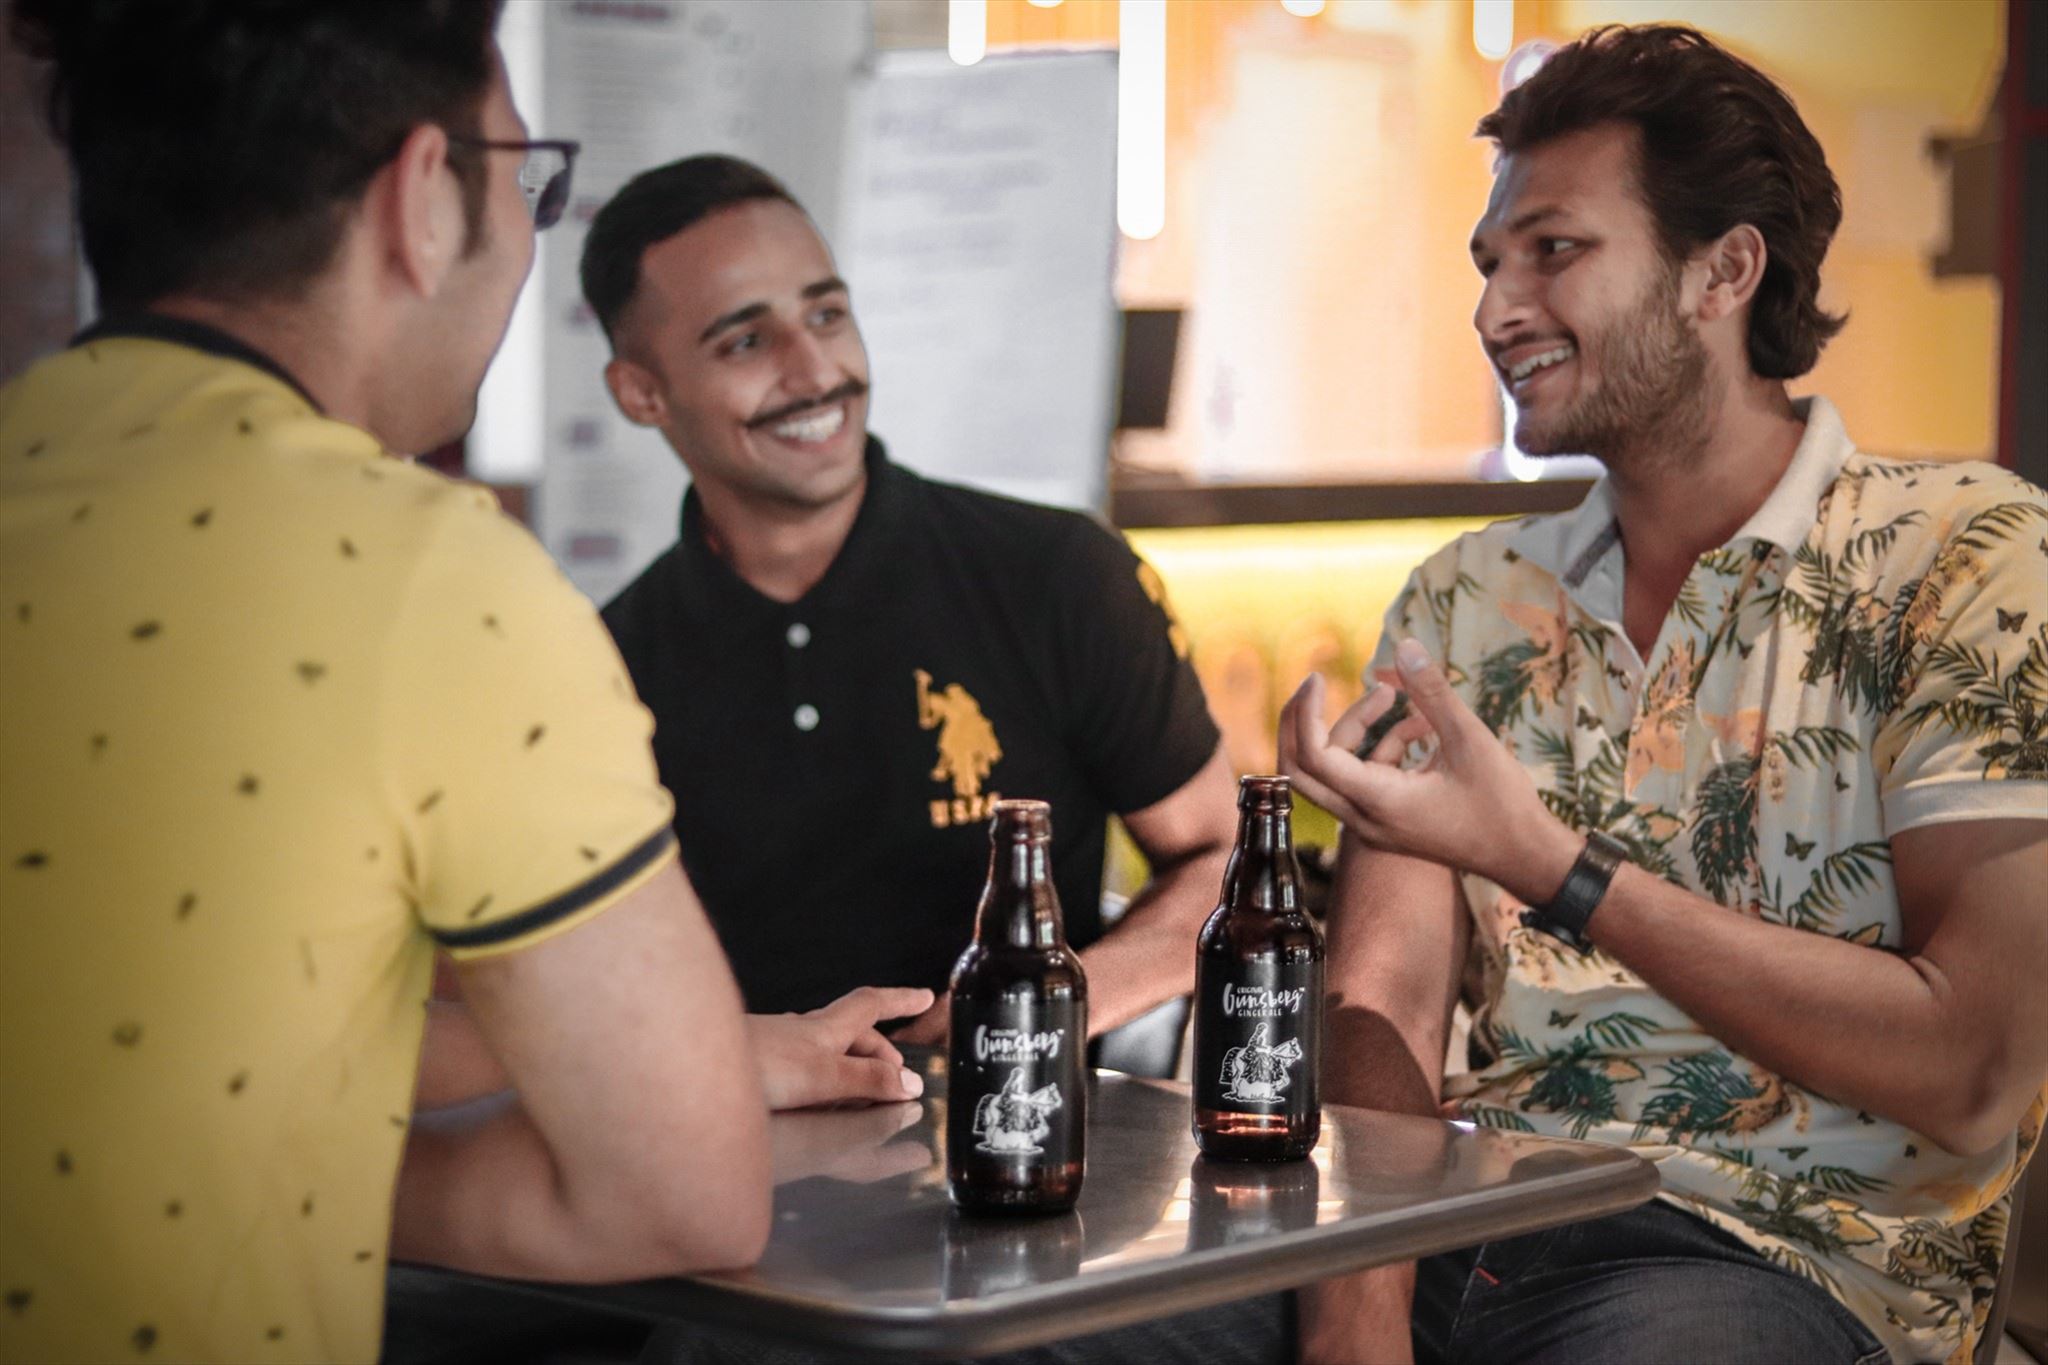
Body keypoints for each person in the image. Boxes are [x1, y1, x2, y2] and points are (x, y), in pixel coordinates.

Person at [0, 5, 921, 1361]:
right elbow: (680, 1194)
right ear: (422, 198)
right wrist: (288, 1175)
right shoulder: (430, 583)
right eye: (525, 177)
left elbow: (232, 1001)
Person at [1281, 24, 2048, 1365]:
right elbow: (1381, 1000)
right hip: (1453, 1223)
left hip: (1773, 1263)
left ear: (1723, 271)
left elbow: (1972, 1068)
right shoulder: (1465, 599)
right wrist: (1354, 1315)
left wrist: (1550, 864)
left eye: (1553, 250)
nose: (1495, 309)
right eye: (1489, 263)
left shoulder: (1961, 559)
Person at [585, 155, 1239, 1040]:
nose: (814, 369)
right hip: (738, 1126)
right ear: (642, 392)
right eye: (746, 342)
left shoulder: (1057, 572)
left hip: (1031, 1117)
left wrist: (1032, 1013)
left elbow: (1223, 860)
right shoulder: (605, 668)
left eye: (827, 314)